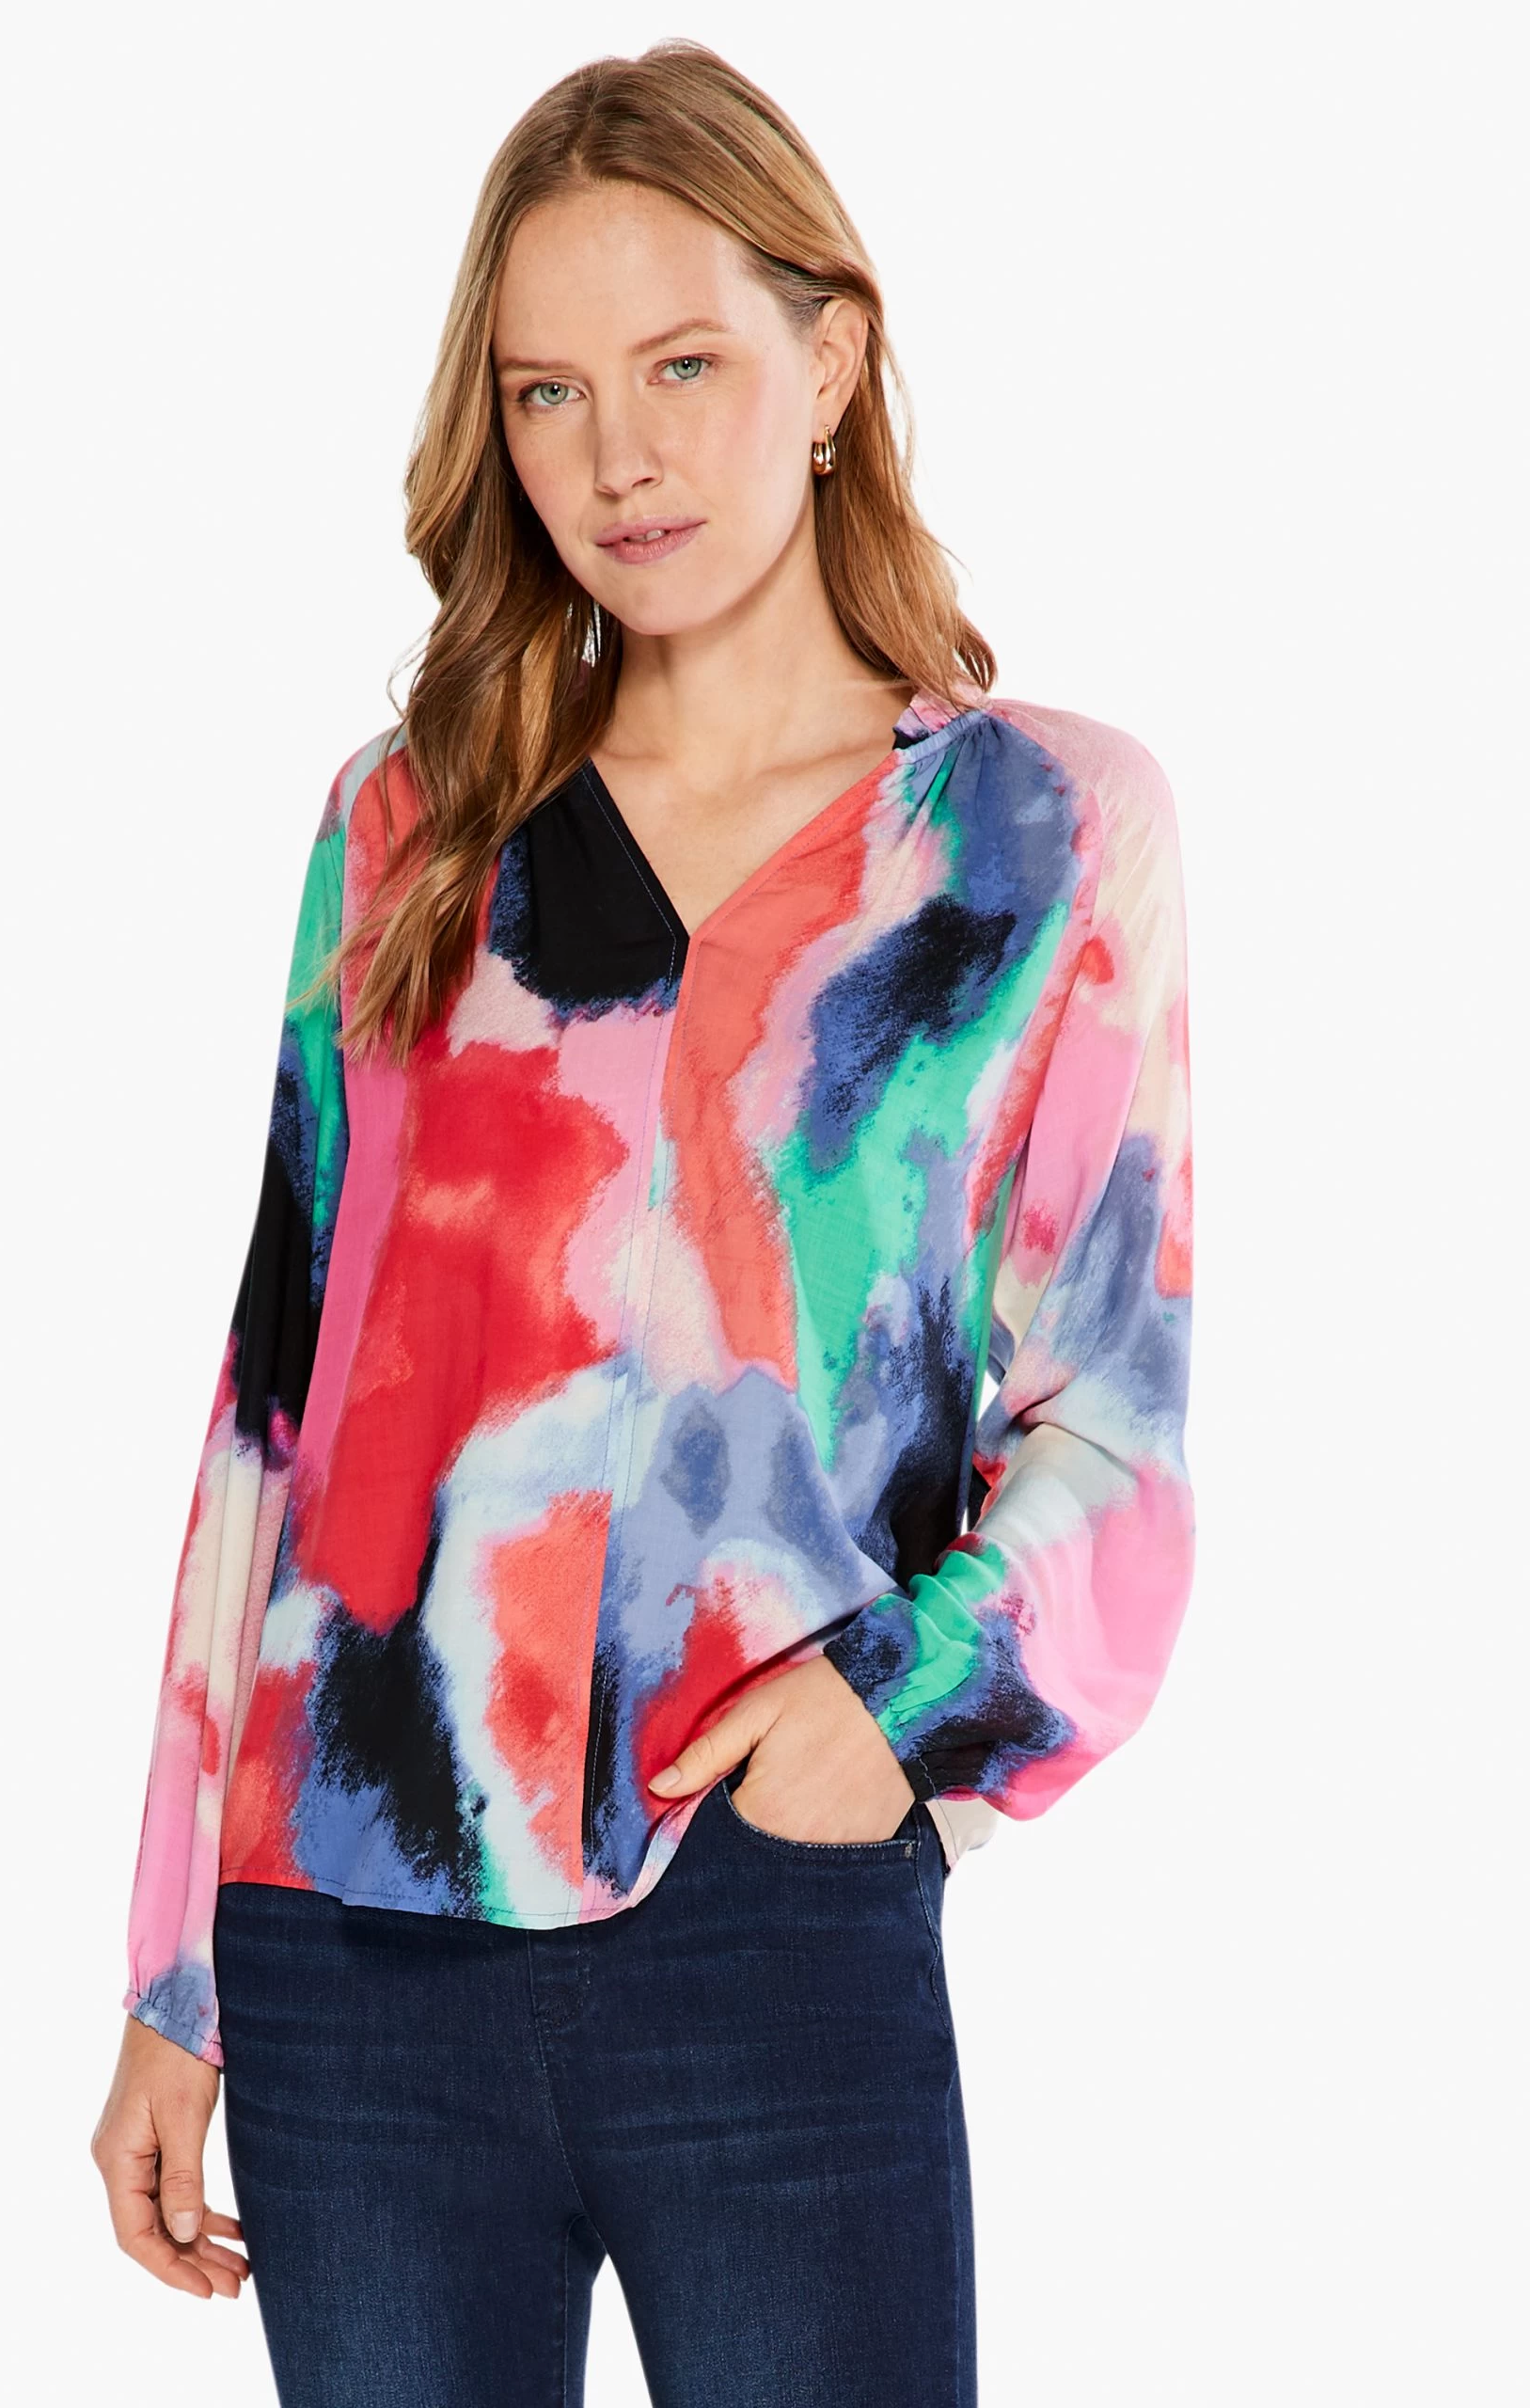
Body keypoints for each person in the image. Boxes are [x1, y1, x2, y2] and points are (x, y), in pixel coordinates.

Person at [89, 37, 1195, 2408]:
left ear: (834, 360)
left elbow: (1117, 1417)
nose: (620, 457)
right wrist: (172, 1969)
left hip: (766, 1927)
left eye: (684, 364)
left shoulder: (1033, 837)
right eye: (549, 392)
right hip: (351, 1950)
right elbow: (275, 1418)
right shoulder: (409, 832)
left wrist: (885, 1718)